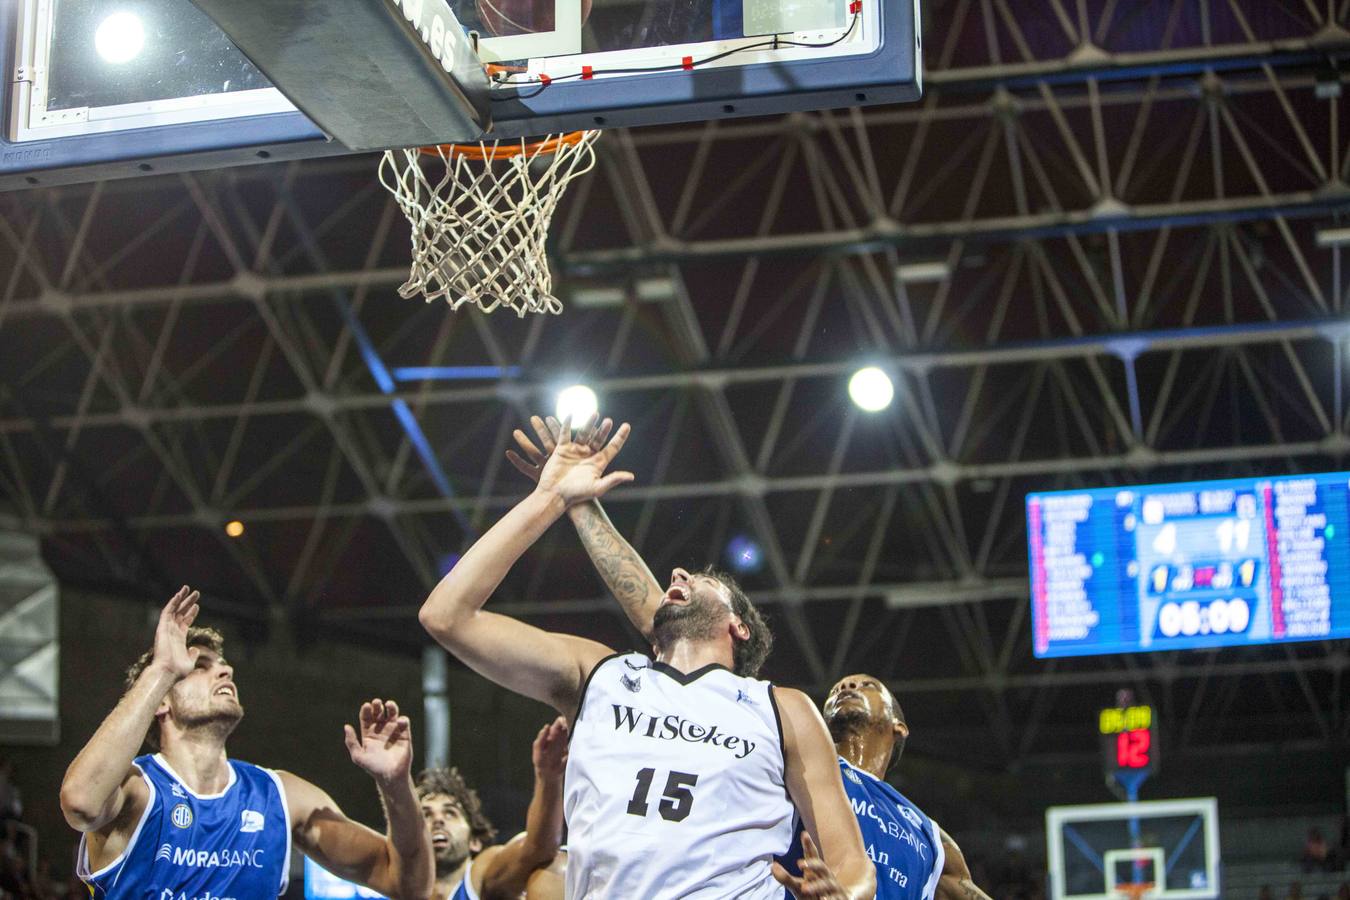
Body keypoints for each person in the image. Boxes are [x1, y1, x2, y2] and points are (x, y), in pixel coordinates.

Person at [507, 413, 993, 900]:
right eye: (844, 683)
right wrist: (579, 505)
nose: (847, 685)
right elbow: (659, 617)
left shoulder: (928, 835)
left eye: (867, 686)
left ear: (899, 727)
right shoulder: (776, 733)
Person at [420, 414, 874, 900]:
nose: (680, 572)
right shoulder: (600, 674)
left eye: (703, 579)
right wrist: (552, 498)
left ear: (738, 626)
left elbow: (853, 865)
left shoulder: (781, 709)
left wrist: (845, 896)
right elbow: (447, 616)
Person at [59, 586, 434, 900]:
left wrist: (395, 783)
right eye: (200, 666)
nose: (225, 669)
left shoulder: (281, 796)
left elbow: (407, 884)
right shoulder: (138, 789)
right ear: (161, 702)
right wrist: (162, 670)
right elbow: (80, 802)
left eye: (222, 664)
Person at [418, 716, 568, 899]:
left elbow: (538, 848)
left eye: (450, 813)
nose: (438, 820)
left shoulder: (481, 874)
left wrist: (549, 779)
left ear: (474, 841)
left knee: (555, 870)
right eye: (426, 815)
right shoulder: (381, 889)